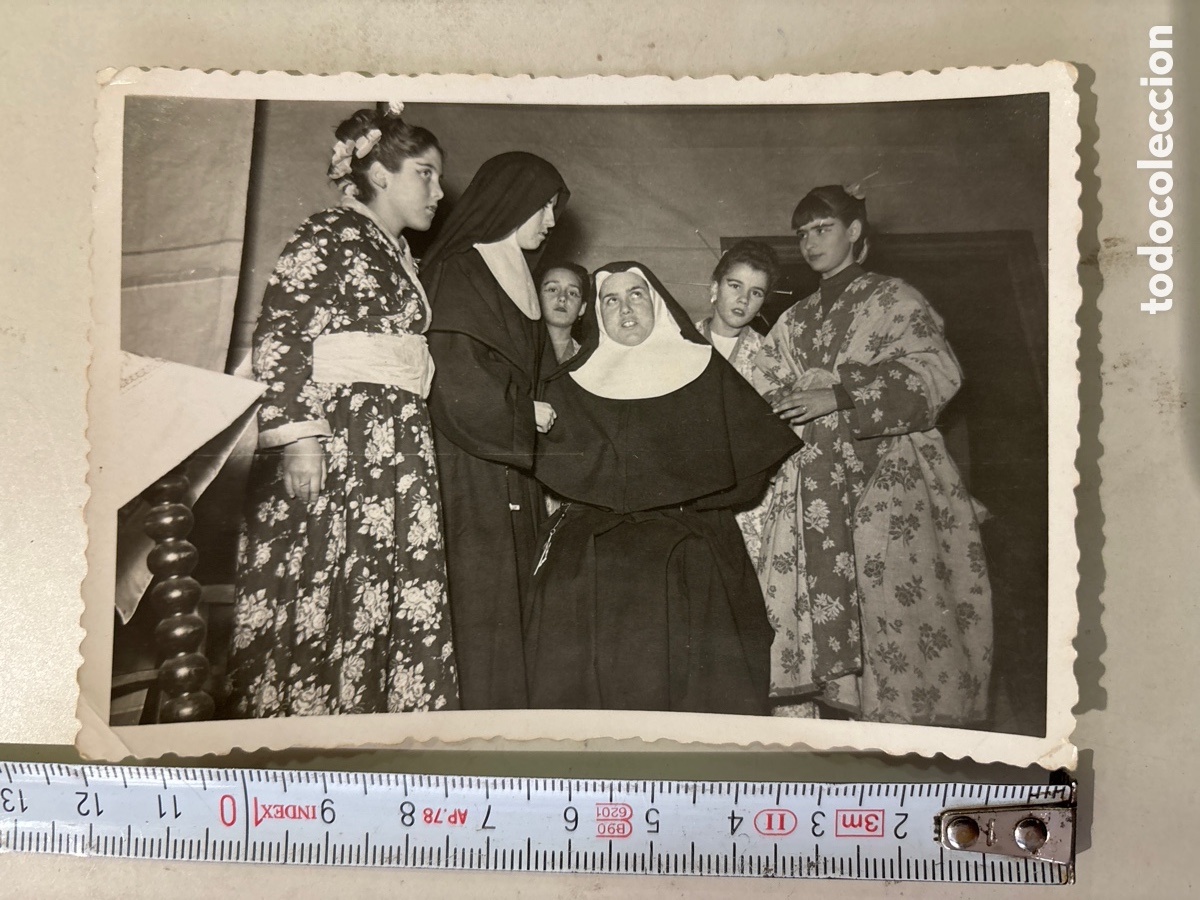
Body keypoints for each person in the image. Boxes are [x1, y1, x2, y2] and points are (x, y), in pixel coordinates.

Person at [225, 103, 458, 717]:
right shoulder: (327, 231)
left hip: (395, 437)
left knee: (383, 582)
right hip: (344, 436)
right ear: (380, 173)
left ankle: (377, 721)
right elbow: (281, 330)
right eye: (426, 173)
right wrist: (301, 439)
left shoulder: (400, 253)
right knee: (326, 572)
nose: (438, 189)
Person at [752, 184, 992, 726]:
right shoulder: (795, 319)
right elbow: (761, 385)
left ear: (854, 231)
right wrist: (783, 400)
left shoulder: (896, 299)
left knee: (893, 607)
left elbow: (939, 372)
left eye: (822, 229)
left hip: (888, 477)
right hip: (811, 485)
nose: (810, 242)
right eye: (802, 233)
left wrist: (838, 394)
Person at [526, 262, 802, 714]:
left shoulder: (703, 368)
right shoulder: (569, 382)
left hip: (687, 533)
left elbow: (751, 461)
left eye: (636, 295)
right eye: (610, 300)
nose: (625, 309)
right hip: (598, 541)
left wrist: (691, 500)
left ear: (656, 301)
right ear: (597, 312)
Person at [421, 152, 569, 709]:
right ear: (509, 204)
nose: (551, 221)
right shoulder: (460, 268)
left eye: (555, 208)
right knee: (483, 596)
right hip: (471, 461)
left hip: (513, 463)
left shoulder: (516, 272)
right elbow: (454, 376)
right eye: (543, 207)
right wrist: (521, 415)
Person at [694, 240, 780, 561]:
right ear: (714, 288)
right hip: (688, 497)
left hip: (750, 505)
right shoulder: (680, 345)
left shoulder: (771, 358)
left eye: (756, 292)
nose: (743, 299)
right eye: (735, 285)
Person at [537, 262, 588, 363]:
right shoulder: (516, 351)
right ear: (537, 299)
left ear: (582, 308)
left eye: (572, 293)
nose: (562, 298)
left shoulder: (588, 361)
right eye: (552, 289)